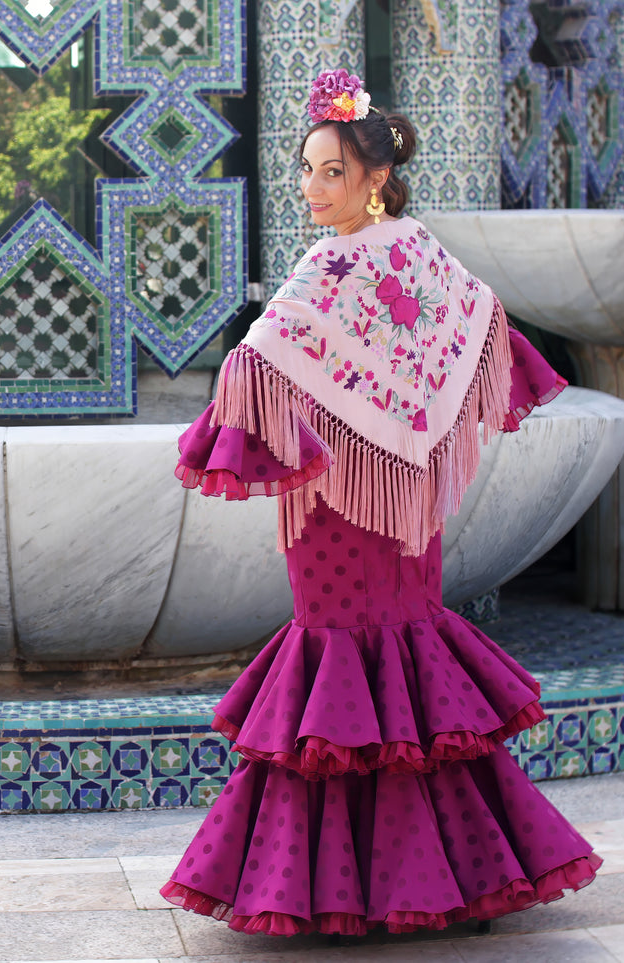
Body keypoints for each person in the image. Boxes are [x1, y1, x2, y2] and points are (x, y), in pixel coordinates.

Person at [160, 69, 601, 936]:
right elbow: (481, 326)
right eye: (307, 168)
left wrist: (282, 385)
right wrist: (403, 417)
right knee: (409, 669)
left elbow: (254, 362)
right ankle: (451, 874)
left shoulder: (330, 265)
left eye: (331, 171)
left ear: (374, 177)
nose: (311, 187)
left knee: (341, 662)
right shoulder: (417, 249)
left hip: (338, 505)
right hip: (407, 503)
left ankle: (333, 888)